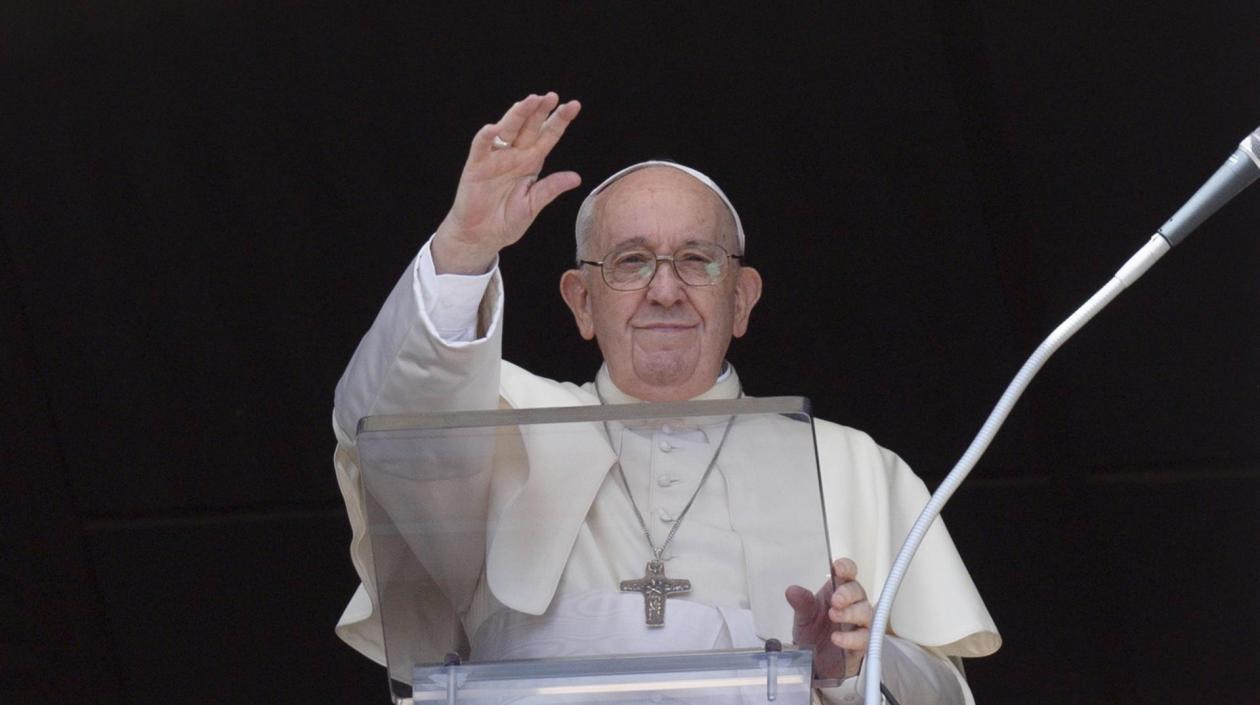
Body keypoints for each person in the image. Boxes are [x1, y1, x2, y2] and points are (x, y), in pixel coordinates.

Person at [332, 92, 1001, 704]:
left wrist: (850, 671)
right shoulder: (498, 422)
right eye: (629, 261)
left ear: (740, 299)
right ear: (581, 302)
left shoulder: (850, 464)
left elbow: (944, 687)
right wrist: (465, 247)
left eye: (697, 260)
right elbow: (384, 430)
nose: (664, 290)